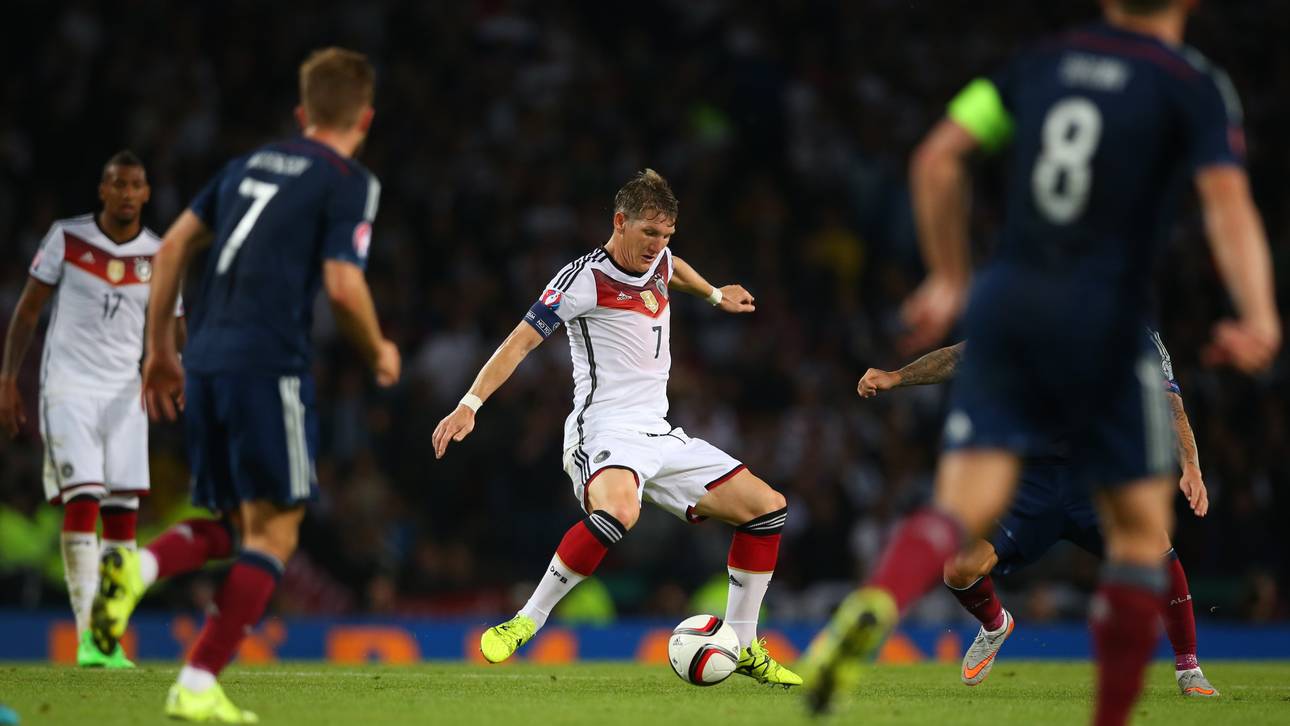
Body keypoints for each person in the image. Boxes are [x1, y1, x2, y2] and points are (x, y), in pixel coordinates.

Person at [801, 1, 1280, 723]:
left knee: (952, 518)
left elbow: (936, 157)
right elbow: (1227, 201)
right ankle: (1109, 702)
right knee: (1143, 545)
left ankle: (879, 602)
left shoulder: (1035, 64)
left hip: (1011, 301)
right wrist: (1259, 314)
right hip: (1104, 313)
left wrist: (950, 274)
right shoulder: (1194, 83)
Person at [90, 47, 399, 723]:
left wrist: (159, 353)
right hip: (269, 362)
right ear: (365, 118)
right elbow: (344, 286)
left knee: (236, 523)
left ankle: (135, 571)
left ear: (302, 112)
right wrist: (378, 350)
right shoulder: (349, 180)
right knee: (277, 533)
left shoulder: (246, 166)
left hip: (205, 356)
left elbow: (169, 247)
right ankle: (197, 683)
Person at [432, 169, 801, 686]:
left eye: (667, 235)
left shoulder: (660, 259)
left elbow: (675, 270)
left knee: (767, 508)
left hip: (660, 433)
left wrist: (715, 295)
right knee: (619, 512)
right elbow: (519, 342)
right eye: (649, 233)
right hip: (602, 430)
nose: (658, 246)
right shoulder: (582, 279)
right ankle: (527, 620)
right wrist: (470, 403)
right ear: (619, 222)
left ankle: (742, 643)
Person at [858, 331, 1217, 696]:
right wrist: (895, 377)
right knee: (959, 568)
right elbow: (960, 357)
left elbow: (1169, 402)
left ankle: (1189, 669)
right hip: (1030, 483)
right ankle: (996, 624)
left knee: (1157, 549)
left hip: (1094, 480)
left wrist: (1191, 466)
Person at [0, 151, 177, 668]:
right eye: (117, 184)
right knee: (84, 500)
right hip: (69, 388)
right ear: (104, 190)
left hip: (127, 394)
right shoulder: (67, 239)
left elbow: (172, 323)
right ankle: (88, 637)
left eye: (136, 185)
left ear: (146, 193)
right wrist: (9, 379)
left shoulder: (159, 253)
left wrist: (175, 362)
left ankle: (105, 637)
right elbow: (29, 310)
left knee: (123, 512)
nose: (126, 193)